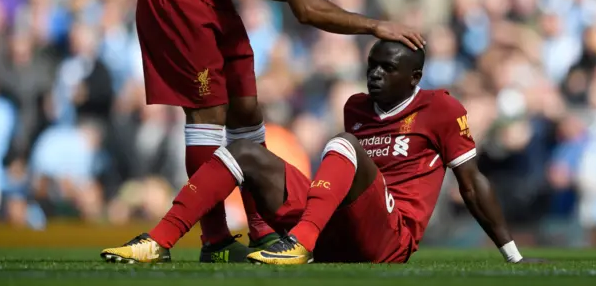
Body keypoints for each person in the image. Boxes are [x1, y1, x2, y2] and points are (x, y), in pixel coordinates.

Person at [135, 0, 424, 262]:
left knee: (247, 110)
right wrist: (374, 26)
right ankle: (216, 239)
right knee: (209, 114)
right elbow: (306, 11)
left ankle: (261, 231)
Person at [101, 40, 529, 265]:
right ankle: (158, 241)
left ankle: (298, 243)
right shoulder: (355, 107)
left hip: (391, 238)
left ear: (414, 76)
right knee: (246, 150)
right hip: (338, 229)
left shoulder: (441, 108)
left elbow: (472, 184)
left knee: (344, 145)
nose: (375, 75)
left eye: (388, 68)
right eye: (371, 65)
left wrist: (511, 253)